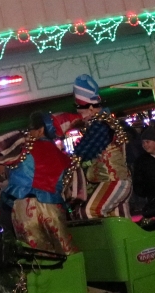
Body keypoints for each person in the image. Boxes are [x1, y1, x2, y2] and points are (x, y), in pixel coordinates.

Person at [0, 103, 79, 254]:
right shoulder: (62, 157)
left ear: (40, 130)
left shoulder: (23, 147)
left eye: (31, 128)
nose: (29, 131)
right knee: (66, 252)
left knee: (36, 257)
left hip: (25, 207)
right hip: (53, 207)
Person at [50, 74, 133, 219]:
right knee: (120, 221)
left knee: (89, 211)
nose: (82, 116)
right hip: (115, 181)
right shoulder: (102, 122)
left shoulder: (101, 124)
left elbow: (84, 152)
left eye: (82, 112)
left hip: (115, 181)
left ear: (91, 108)